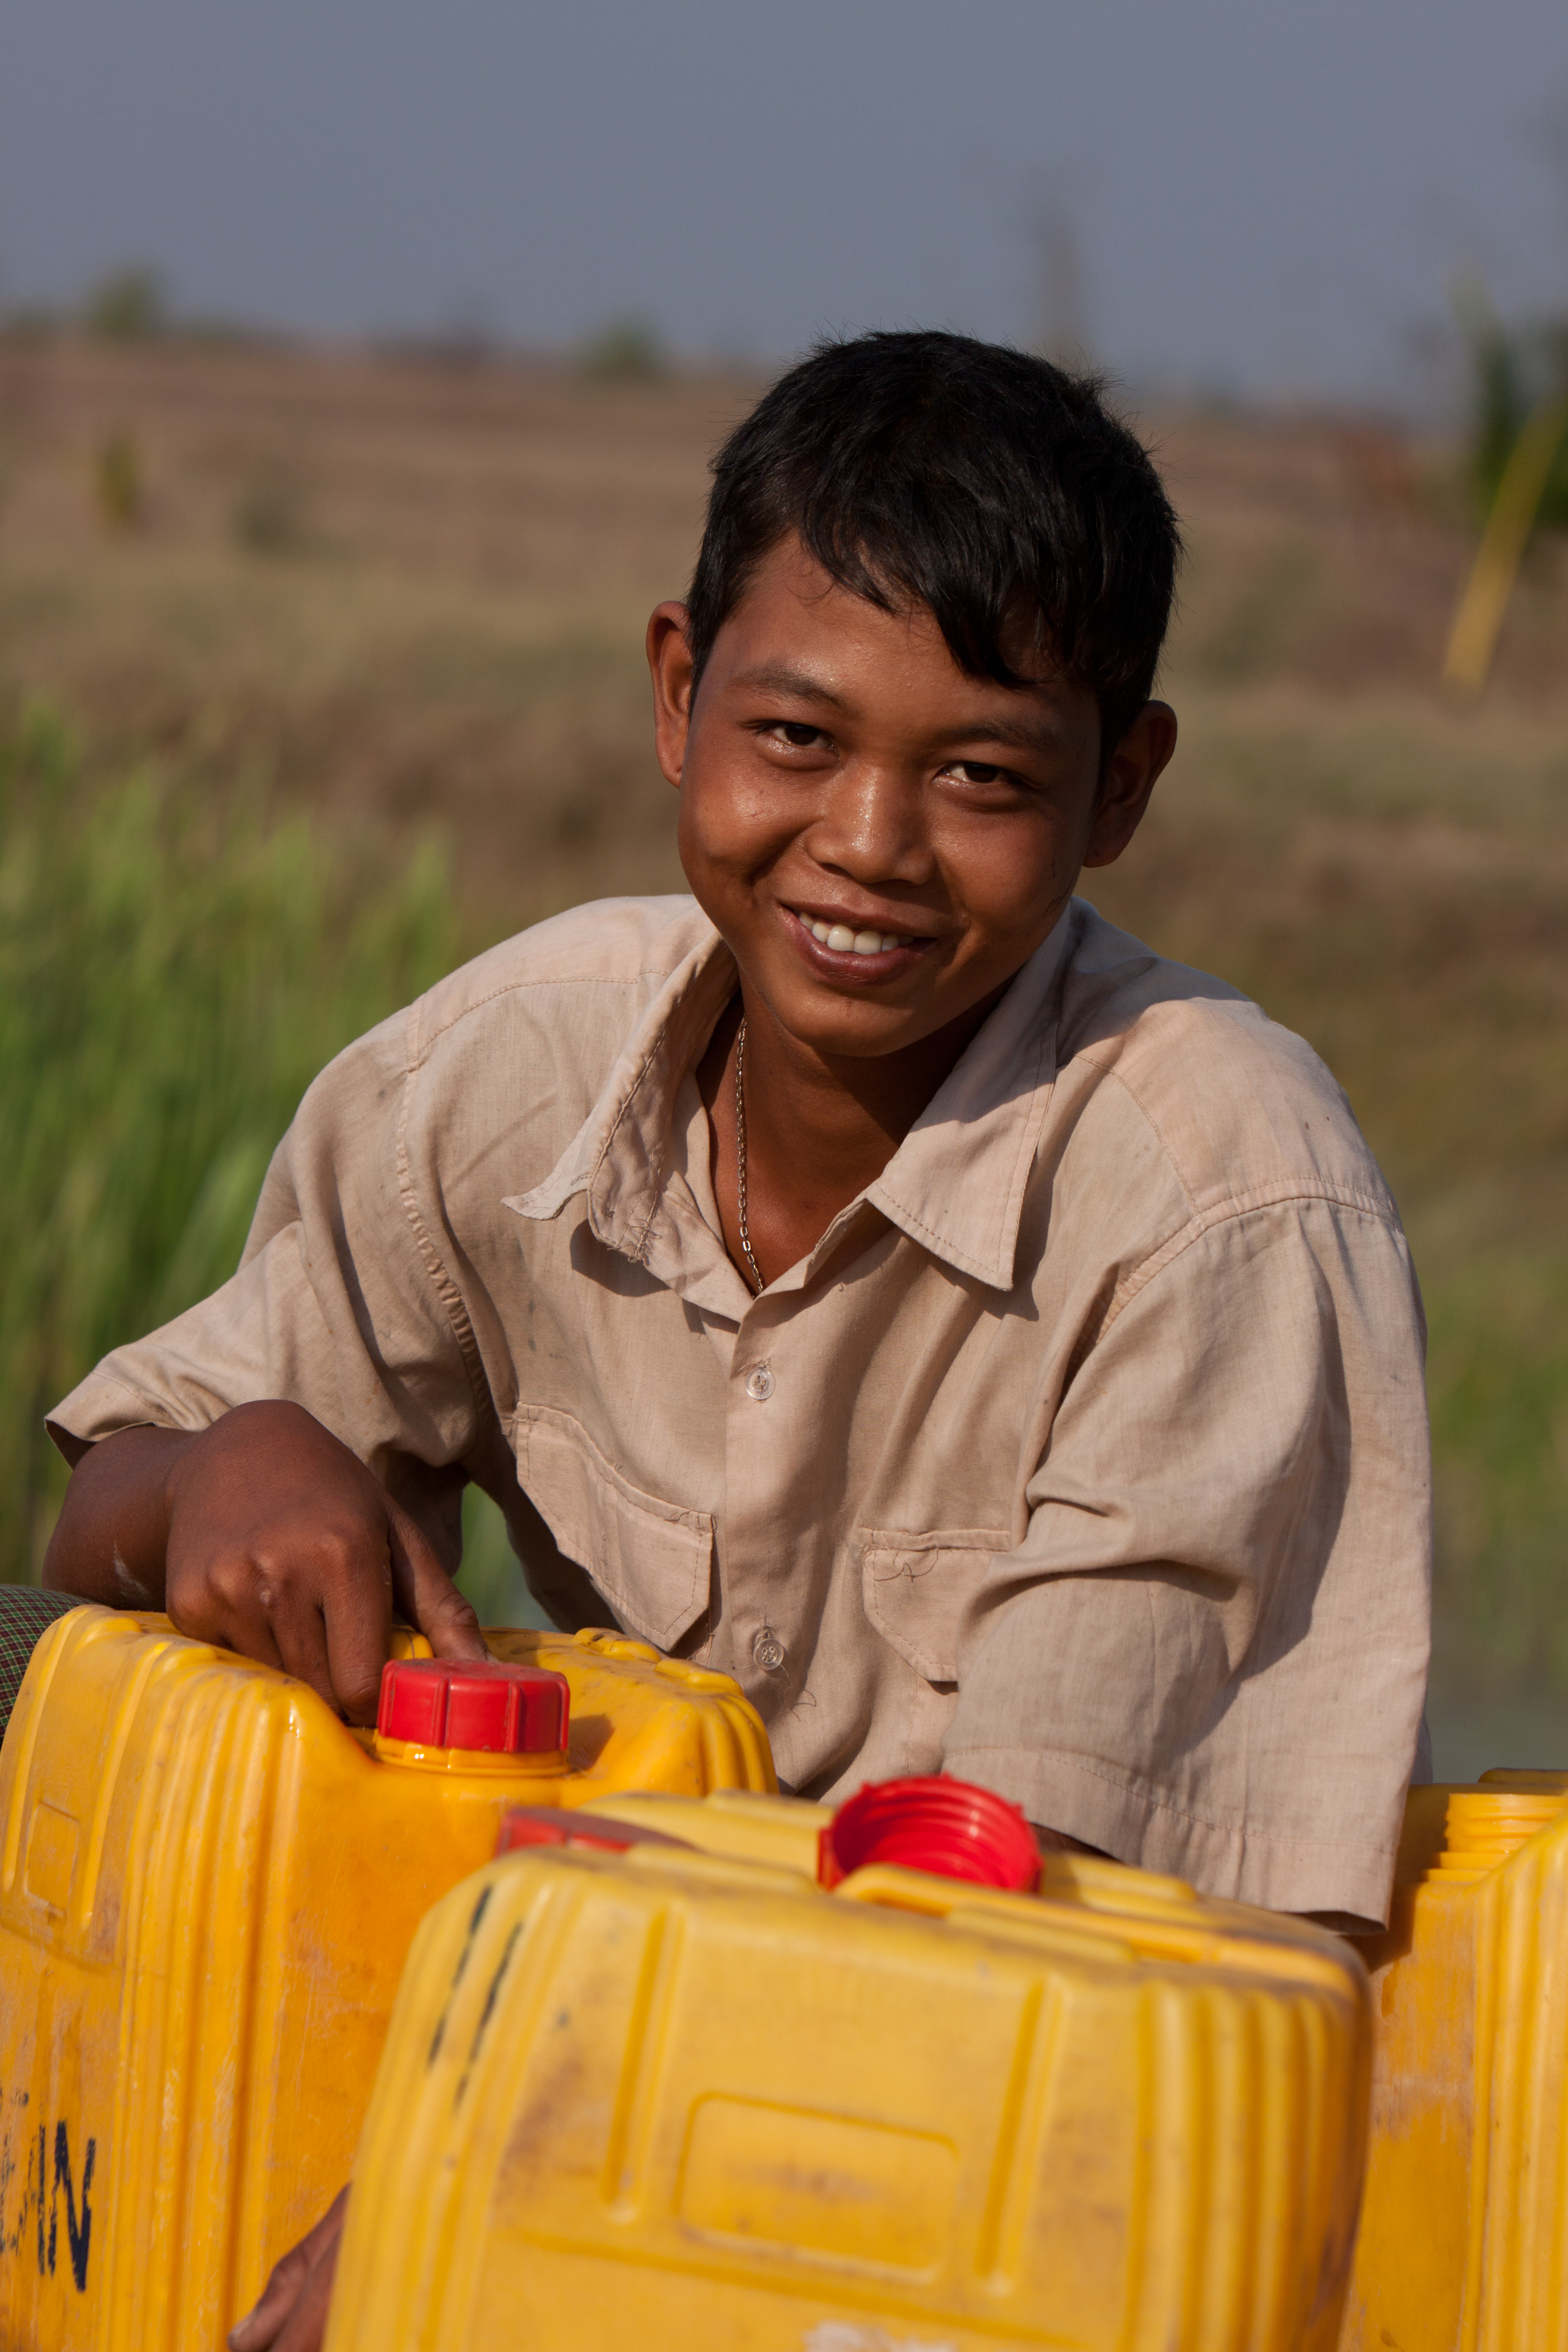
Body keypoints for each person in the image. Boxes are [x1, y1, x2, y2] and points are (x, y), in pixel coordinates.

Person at [39, 331, 1429, 2350]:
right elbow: (104, 1525)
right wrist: (223, 1467)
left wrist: (458, 2177)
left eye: (982, 777)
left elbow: (1000, 1930)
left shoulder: (1218, 1198)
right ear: (681, 696)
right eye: (797, 738)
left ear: (1119, 787)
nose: (866, 842)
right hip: (607, 2079)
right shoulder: (521, 1071)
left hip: (1019, 2206)